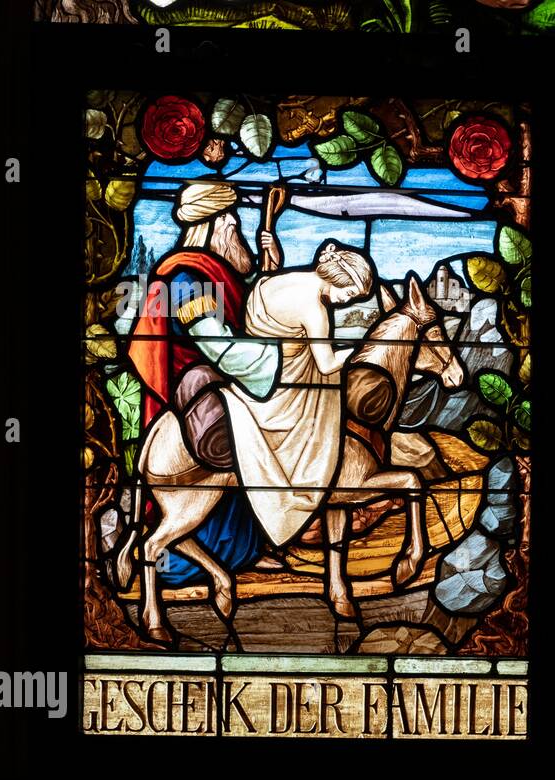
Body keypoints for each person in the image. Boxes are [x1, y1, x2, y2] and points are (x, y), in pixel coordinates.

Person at [124, 180, 284, 586]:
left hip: (218, 382)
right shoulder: (185, 277)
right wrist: (280, 362)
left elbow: (243, 316)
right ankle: (197, 557)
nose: (237, 228)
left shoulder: (212, 273)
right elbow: (216, 344)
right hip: (197, 392)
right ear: (215, 224)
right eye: (232, 220)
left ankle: (245, 552)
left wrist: (269, 265)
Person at [221, 242, 374, 548]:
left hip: (257, 368)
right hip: (280, 388)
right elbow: (328, 364)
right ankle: (303, 489)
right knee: (324, 407)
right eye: (349, 294)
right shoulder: (314, 309)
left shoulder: (279, 278)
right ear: (338, 278)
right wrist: (361, 350)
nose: (345, 301)